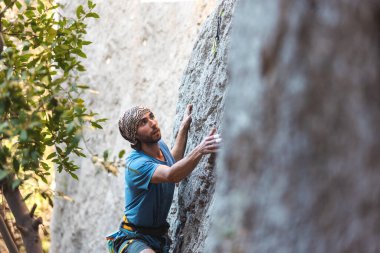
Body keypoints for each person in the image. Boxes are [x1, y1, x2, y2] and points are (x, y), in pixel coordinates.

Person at [106, 104, 221, 253]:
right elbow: (172, 175)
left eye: (151, 116)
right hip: (134, 237)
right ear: (135, 136)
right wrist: (200, 149)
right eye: (143, 122)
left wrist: (183, 128)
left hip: (158, 237)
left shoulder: (160, 146)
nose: (153, 123)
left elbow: (172, 162)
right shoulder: (136, 165)